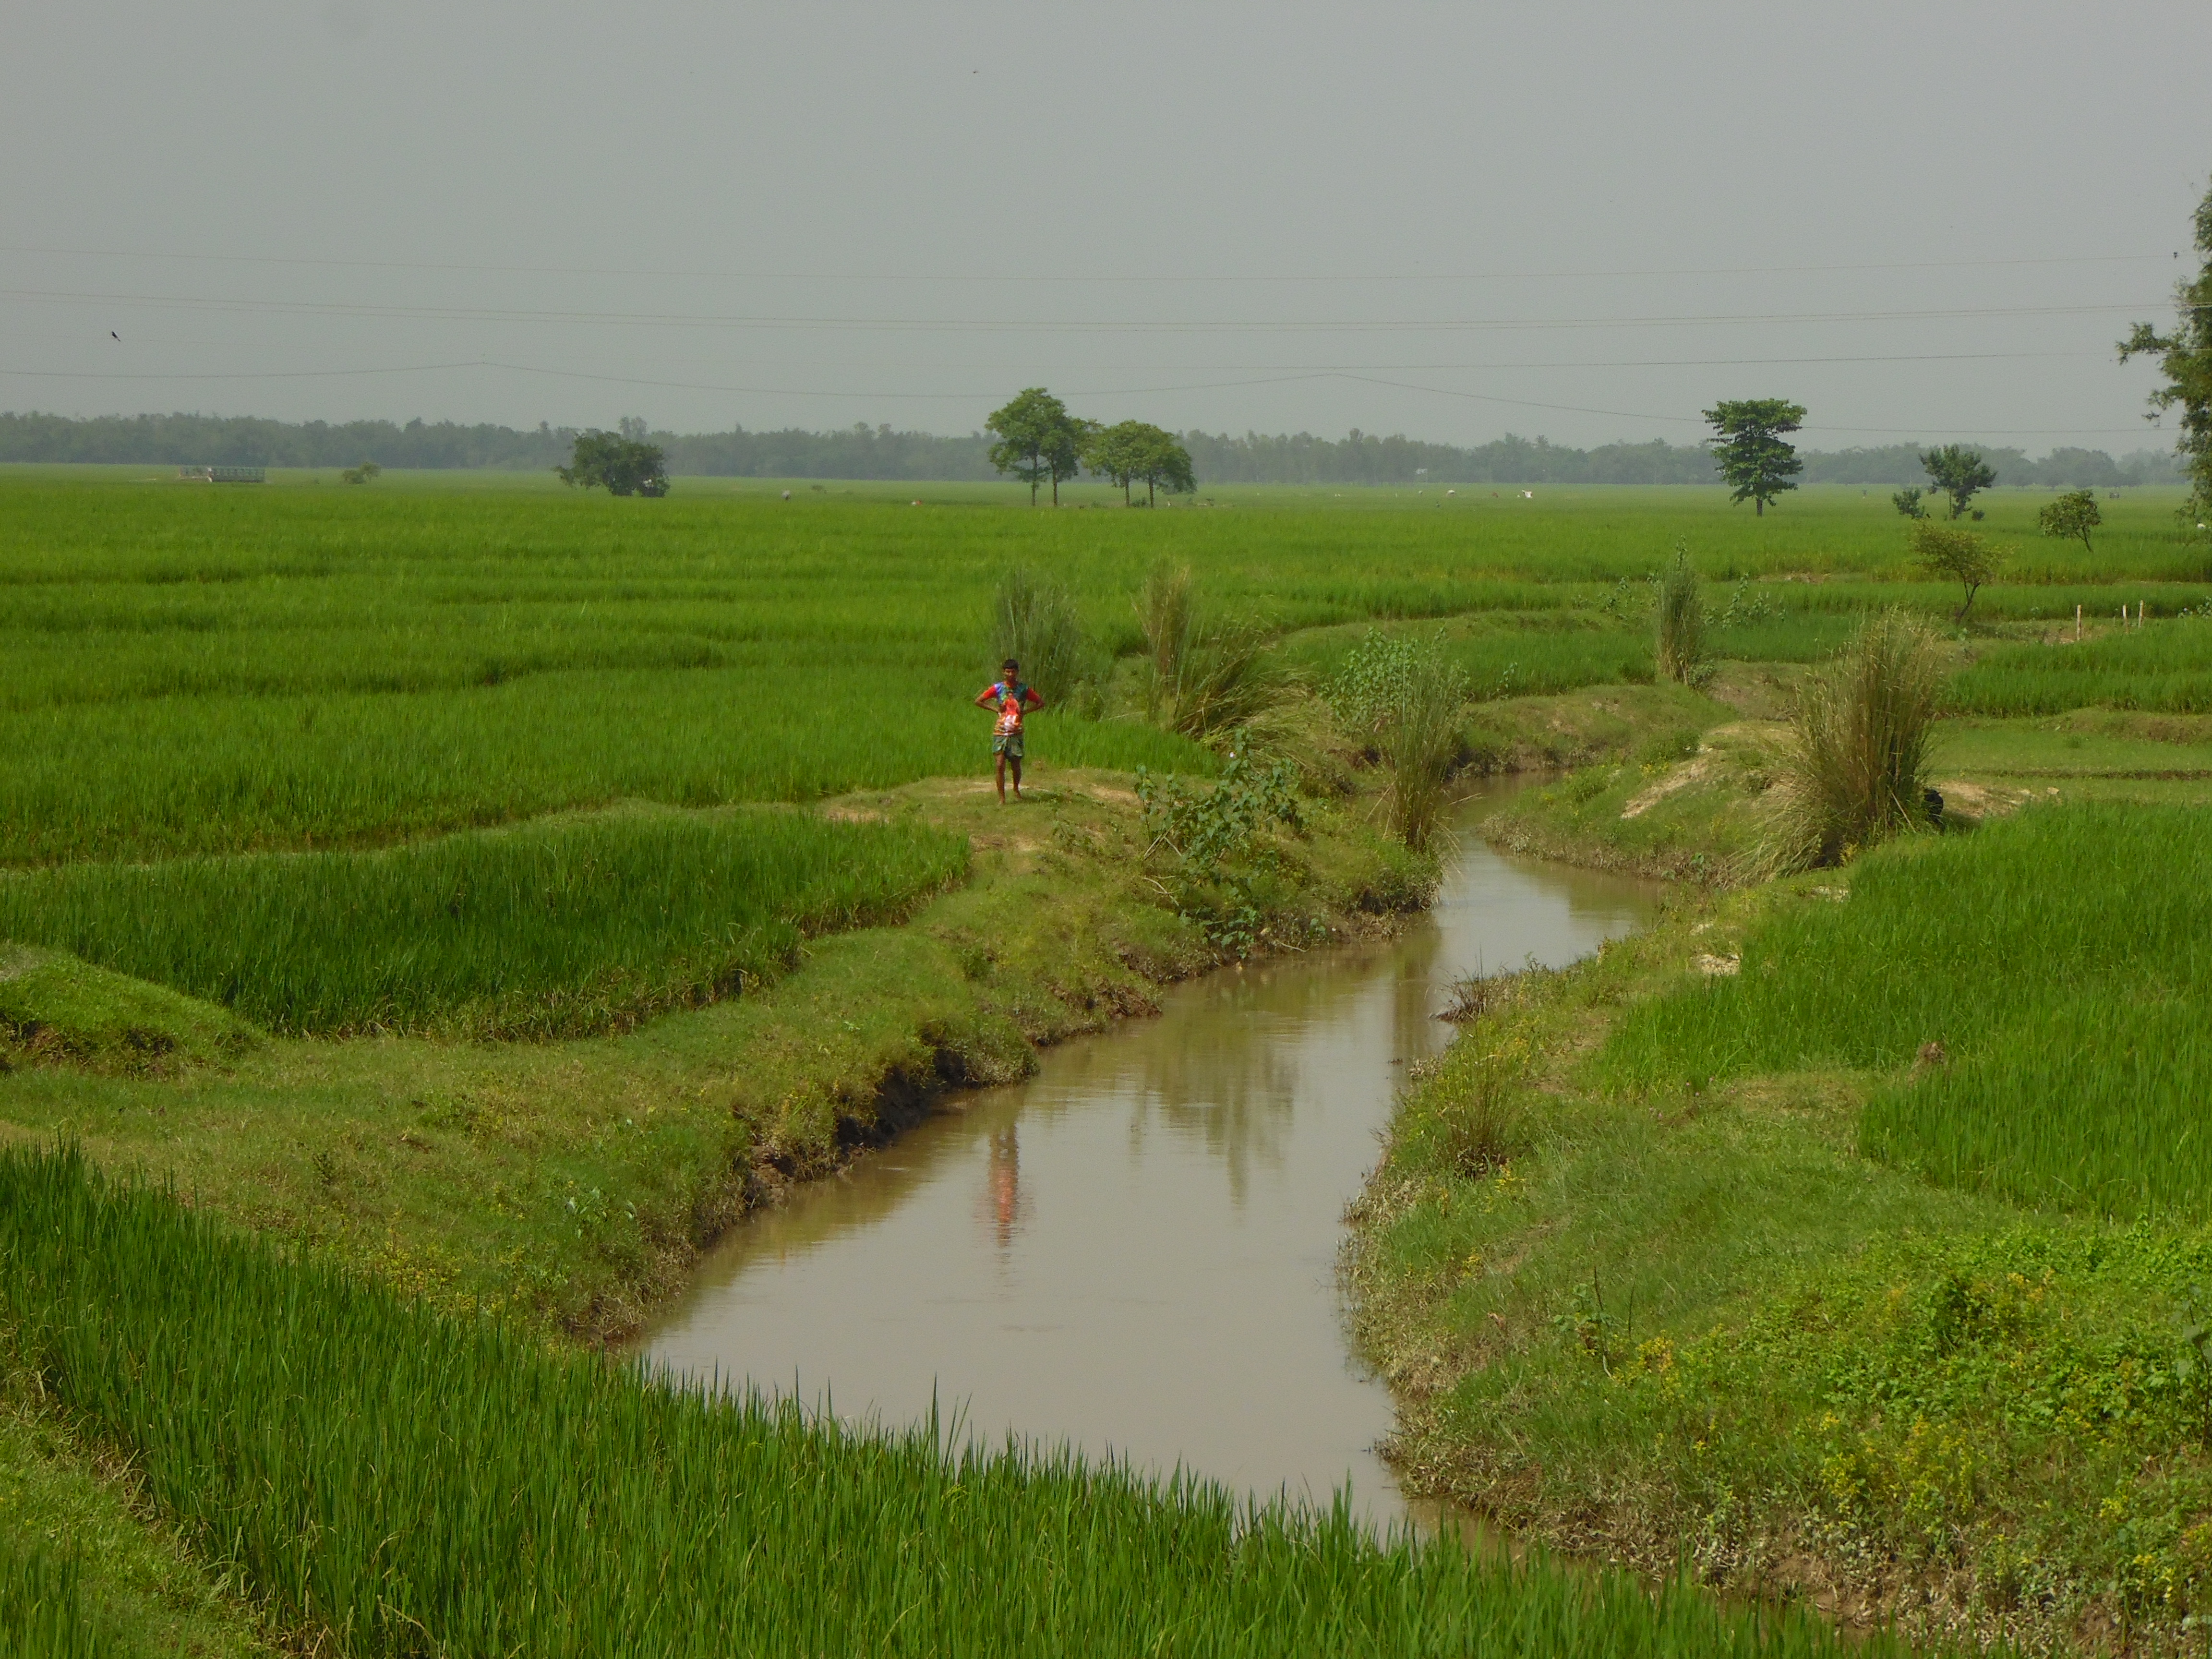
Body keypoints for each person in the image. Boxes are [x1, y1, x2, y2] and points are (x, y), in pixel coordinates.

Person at [974, 658, 1043, 803]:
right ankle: (1002, 798)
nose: (1010, 674)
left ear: (1017, 672)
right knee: (999, 764)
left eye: (1013, 671)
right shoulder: (998, 688)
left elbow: (1040, 703)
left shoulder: (1024, 689)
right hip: (1000, 730)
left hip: (1016, 731)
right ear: (1003, 672)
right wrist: (996, 710)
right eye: (1007, 671)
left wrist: (1025, 712)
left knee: (1016, 765)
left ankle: (1016, 789)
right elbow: (979, 701)